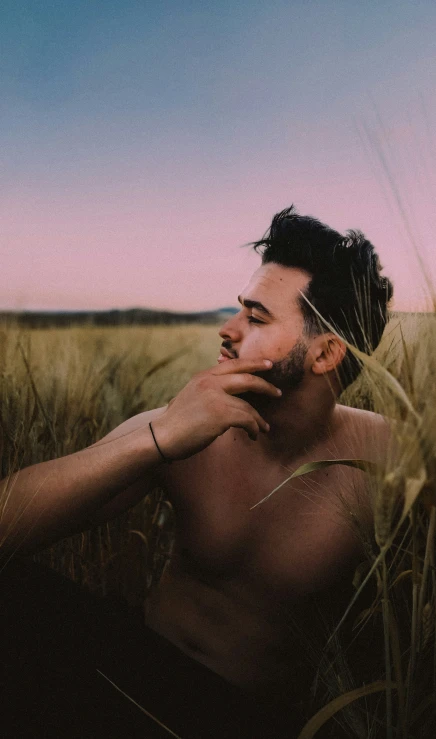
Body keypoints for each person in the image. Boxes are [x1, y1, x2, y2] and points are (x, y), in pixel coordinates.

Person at [0, 205, 393, 738]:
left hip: (255, 720)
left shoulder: (386, 457)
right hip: (137, 672)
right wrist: (158, 441)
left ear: (324, 353)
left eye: (256, 318)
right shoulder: (181, 428)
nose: (228, 330)